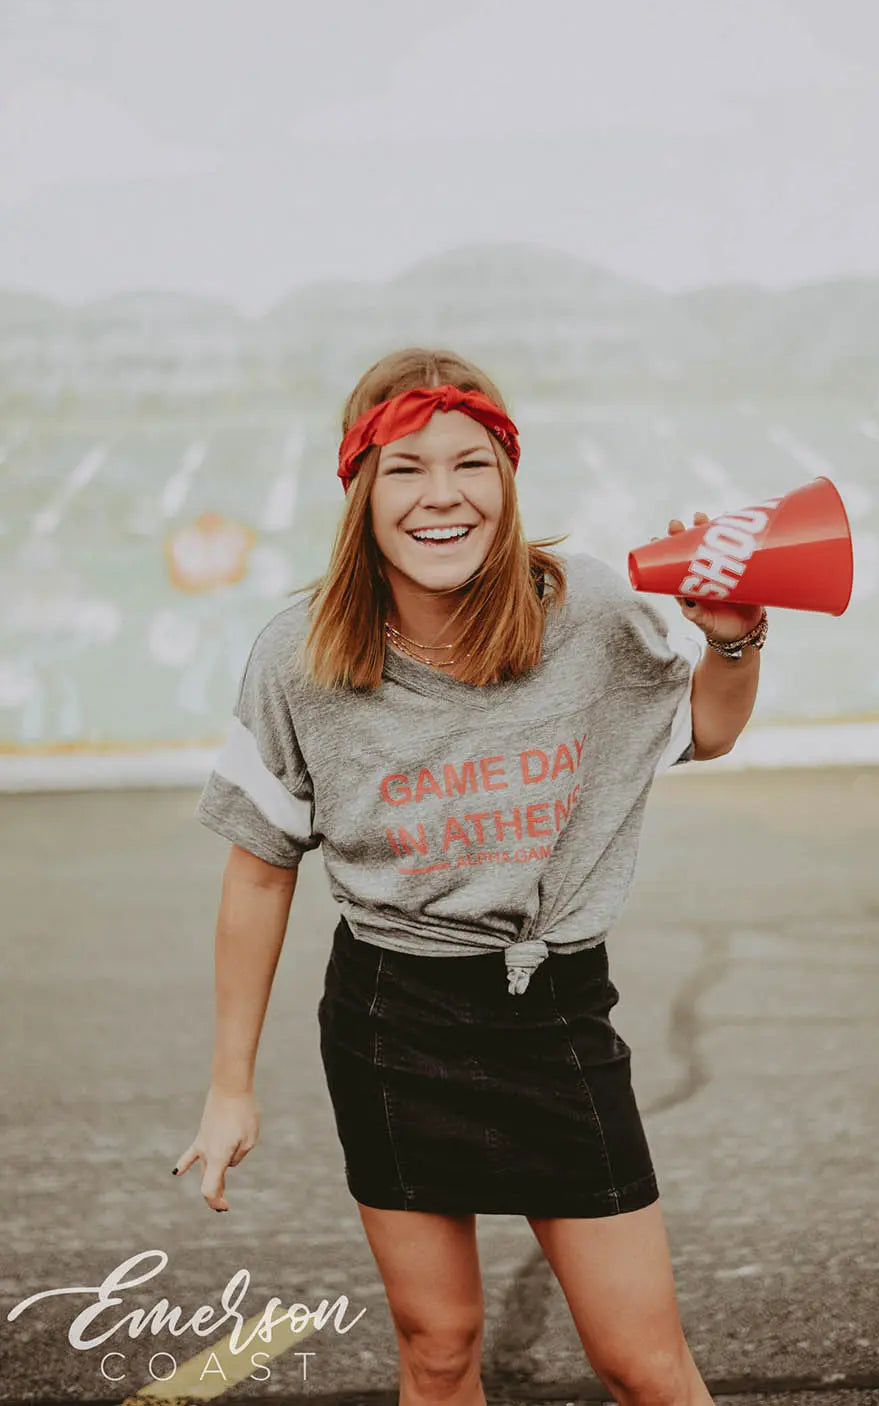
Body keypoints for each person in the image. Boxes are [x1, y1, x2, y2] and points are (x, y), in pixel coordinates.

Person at [174, 347, 765, 1406]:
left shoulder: (584, 610)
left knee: (644, 1362)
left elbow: (703, 730)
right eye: (404, 469)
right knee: (437, 1348)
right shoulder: (299, 658)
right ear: (359, 490)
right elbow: (259, 874)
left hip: (556, 1017)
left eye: (470, 464)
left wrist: (734, 641)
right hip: (393, 1020)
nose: (440, 495)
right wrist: (229, 1087)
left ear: (507, 478)